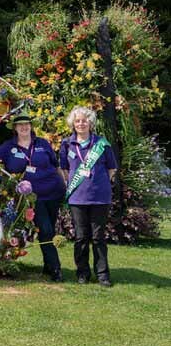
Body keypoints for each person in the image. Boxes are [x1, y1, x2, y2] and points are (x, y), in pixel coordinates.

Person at [0, 113, 65, 281]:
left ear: (31, 126)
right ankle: (56, 269)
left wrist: (65, 185)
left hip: (54, 192)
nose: (24, 127)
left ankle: (47, 265)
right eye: (20, 125)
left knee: (49, 230)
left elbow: (56, 165)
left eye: (27, 124)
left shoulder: (42, 143)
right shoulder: (9, 147)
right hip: (31, 198)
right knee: (45, 229)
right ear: (15, 128)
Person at [59, 106, 118, 286]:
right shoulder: (67, 144)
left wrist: (98, 184)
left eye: (84, 120)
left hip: (100, 198)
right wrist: (73, 184)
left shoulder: (102, 143)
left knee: (99, 237)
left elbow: (112, 168)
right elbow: (64, 168)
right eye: (77, 121)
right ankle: (82, 273)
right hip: (77, 198)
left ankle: (102, 275)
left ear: (90, 123)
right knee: (81, 237)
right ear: (73, 124)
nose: (81, 123)